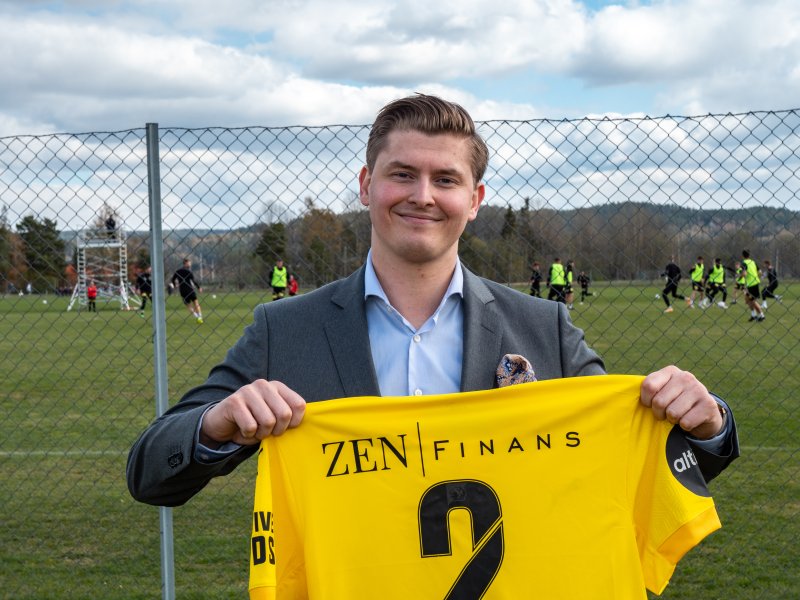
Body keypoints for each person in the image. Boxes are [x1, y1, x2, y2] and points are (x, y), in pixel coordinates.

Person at [127, 94, 737, 534]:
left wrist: (706, 425)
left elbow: (630, 454)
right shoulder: (284, 329)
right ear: (367, 185)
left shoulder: (542, 328)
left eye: (445, 179)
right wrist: (216, 425)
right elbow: (150, 471)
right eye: (402, 175)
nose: (422, 195)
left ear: (473, 202)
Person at [170, 258, 203, 324]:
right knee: (196, 303)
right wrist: (199, 287)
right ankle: (200, 316)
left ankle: (196, 316)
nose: (190, 264)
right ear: (185, 263)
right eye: (189, 263)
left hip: (182, 290)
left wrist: (175, 285)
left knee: (188, 305)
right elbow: (193, 281)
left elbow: (173, 279)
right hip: (190, 289)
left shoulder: (178, 271)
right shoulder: (189, 271)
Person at [741, 250, 765, 322]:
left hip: (751, 284)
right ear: (749, 255)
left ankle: (761, 315)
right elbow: (760, 272)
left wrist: (741, 275)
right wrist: (756, 277)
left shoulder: (743, 263)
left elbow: (744, 274)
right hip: (755, 283)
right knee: (747, 299)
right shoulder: (753, 262)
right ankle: (753, 315)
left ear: (742, 256)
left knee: (752, 301)